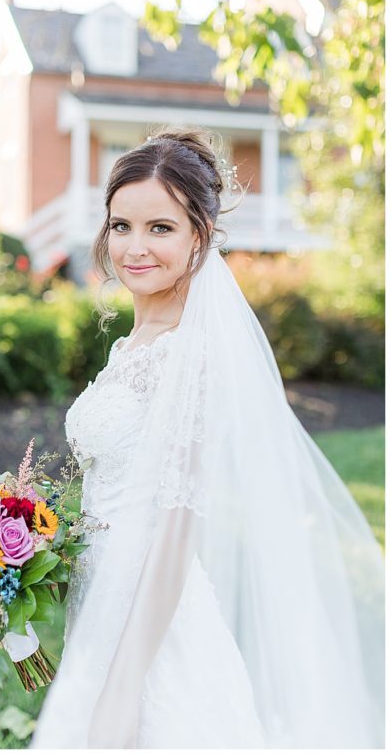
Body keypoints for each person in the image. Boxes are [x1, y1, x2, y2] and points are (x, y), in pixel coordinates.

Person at [30, 130, 384, 748]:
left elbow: (175, 530)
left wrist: (124, 685)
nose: (135, 247)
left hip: (152, 622)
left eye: (160, 228)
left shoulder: (190, 355)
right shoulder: (130, 346)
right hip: (102, 596)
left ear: (201, 234)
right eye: (121, 226)